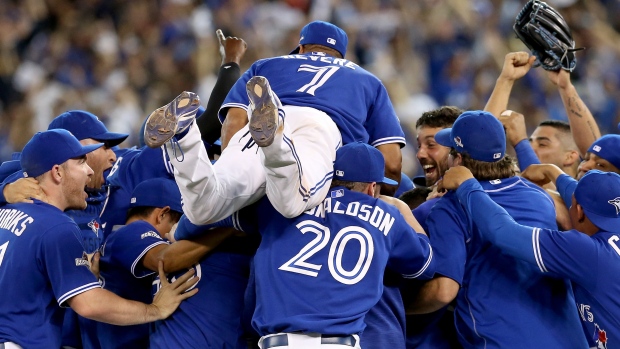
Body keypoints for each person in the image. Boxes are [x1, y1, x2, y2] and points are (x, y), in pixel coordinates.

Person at [144, 20, 406, 227]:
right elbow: (392, 163)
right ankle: (276, 141)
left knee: (204, 207)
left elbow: (234, 122)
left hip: (252, 132)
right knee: (291, 201)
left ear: (302, 48)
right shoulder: (366, 79)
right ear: (340, 55)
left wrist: (234, 161)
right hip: (317, 130)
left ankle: (186, 136)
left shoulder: (267, 65)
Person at [223, 142, 432, 349]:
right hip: (339, 342)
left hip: (278, 342)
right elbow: (425, 265)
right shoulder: (386, 214)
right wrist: (402, 209)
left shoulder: (283, 203)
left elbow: (221, 215)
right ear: (372, 187)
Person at [0, 129, 197, 348]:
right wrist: (155, 310)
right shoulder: (56, 226)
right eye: (81, 162)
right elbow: (89, 304)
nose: (89, 171)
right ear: (57, 172)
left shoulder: (7, 210)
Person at [407, 111, 588, 348]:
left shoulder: (448, 208)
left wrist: (399, 305)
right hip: (570, 340)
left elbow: (443, 291)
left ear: (458, 161)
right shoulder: (538, 194)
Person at [441, 167, 620, 349]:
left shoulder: (587, 251)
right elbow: (586, 198)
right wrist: (552, 172)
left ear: (580, 211)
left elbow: (503, 232)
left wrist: (467, 185)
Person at [97, 178, 237, 348]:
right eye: (176, 222)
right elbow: (165, 260)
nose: (175, 233)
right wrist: (228, 227)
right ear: (162, 214)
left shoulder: (117, 237)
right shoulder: (132, 230)